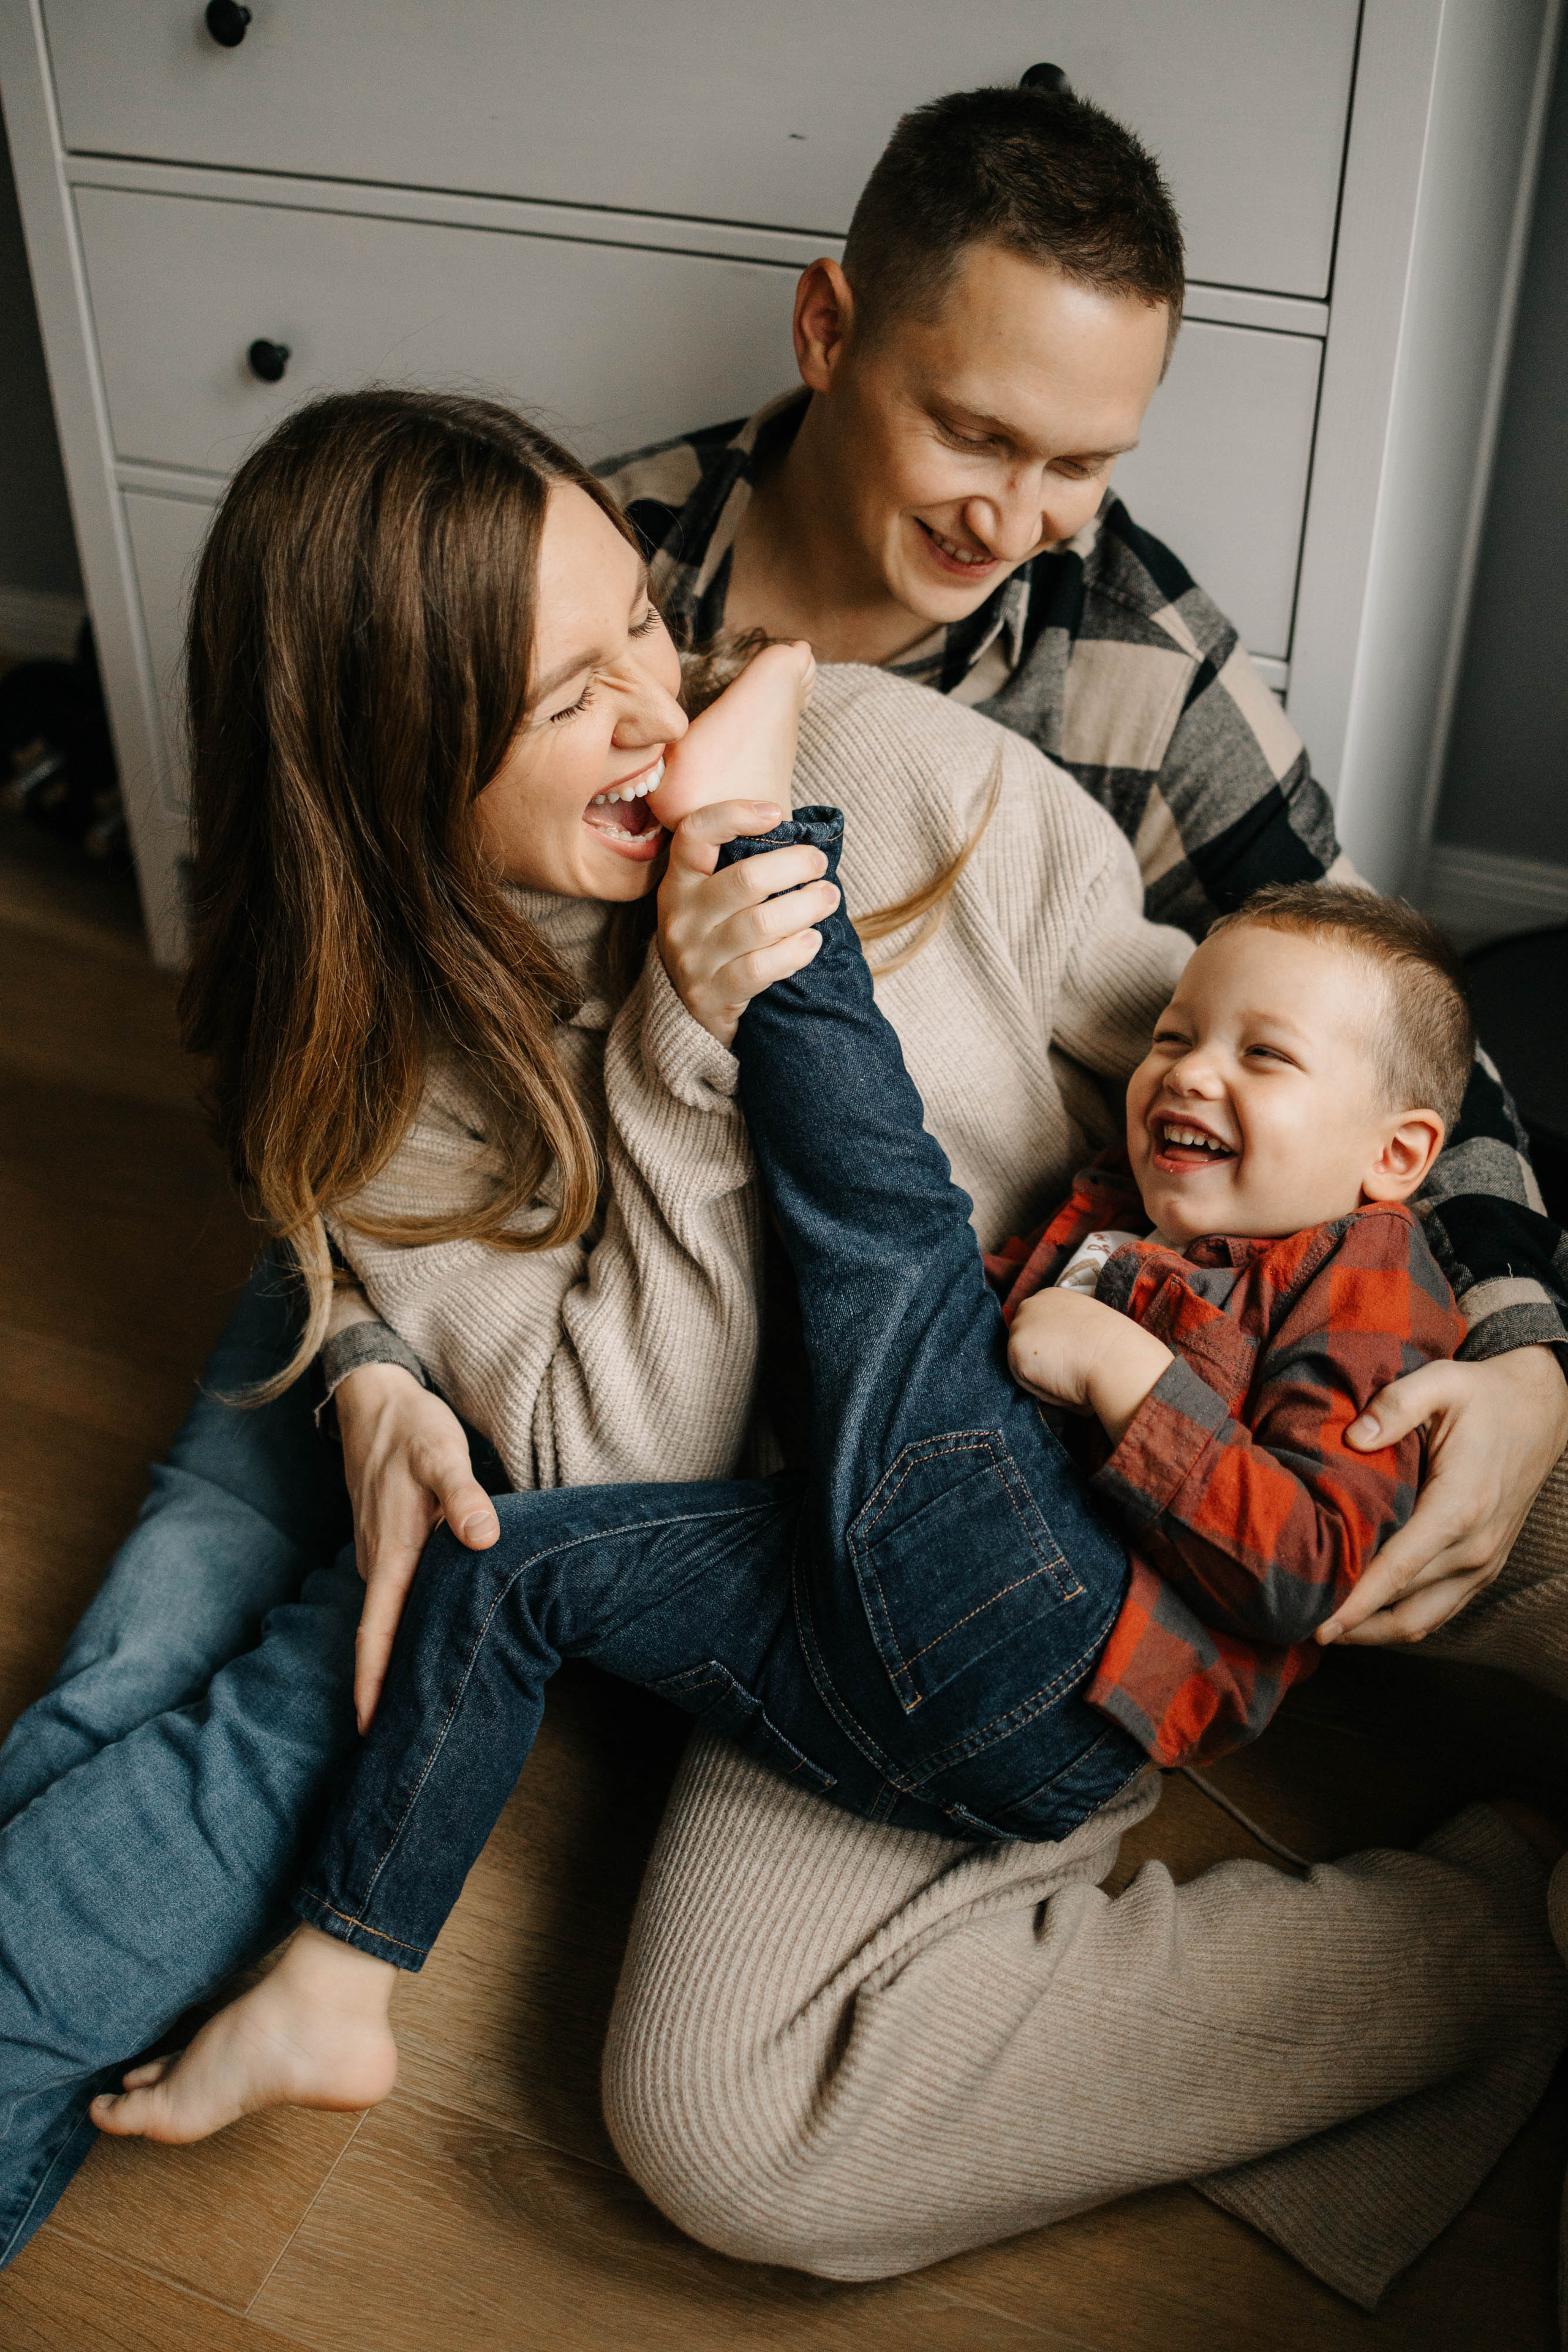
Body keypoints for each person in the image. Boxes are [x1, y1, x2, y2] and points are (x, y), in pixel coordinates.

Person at [1, 82, 1565, 2301]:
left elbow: (1293, 1029)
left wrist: (1504, 1337)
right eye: (577, 691)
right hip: (867, 1607)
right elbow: (634, 1455)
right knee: (721, 2126)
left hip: (1201, 1361)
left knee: (1527, 1467)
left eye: (651, 633)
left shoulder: (910, 744)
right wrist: (687, 1012)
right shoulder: (425, 1095)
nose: (671, 703)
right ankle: (1473, 1958)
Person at [85, 868, 1482, 2150]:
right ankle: (338, 1982)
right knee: (500, 1563)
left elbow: (1310, 1569)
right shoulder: (1112, 1209)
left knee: (888, 1239)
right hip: (880, 1672)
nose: (1186, 1070)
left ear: (1394, 1155)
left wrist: (1128, 1382)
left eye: (1263, 1055)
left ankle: (774, 863)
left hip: (1064, 1672)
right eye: (1175, 1036)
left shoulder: (1363, 1281)